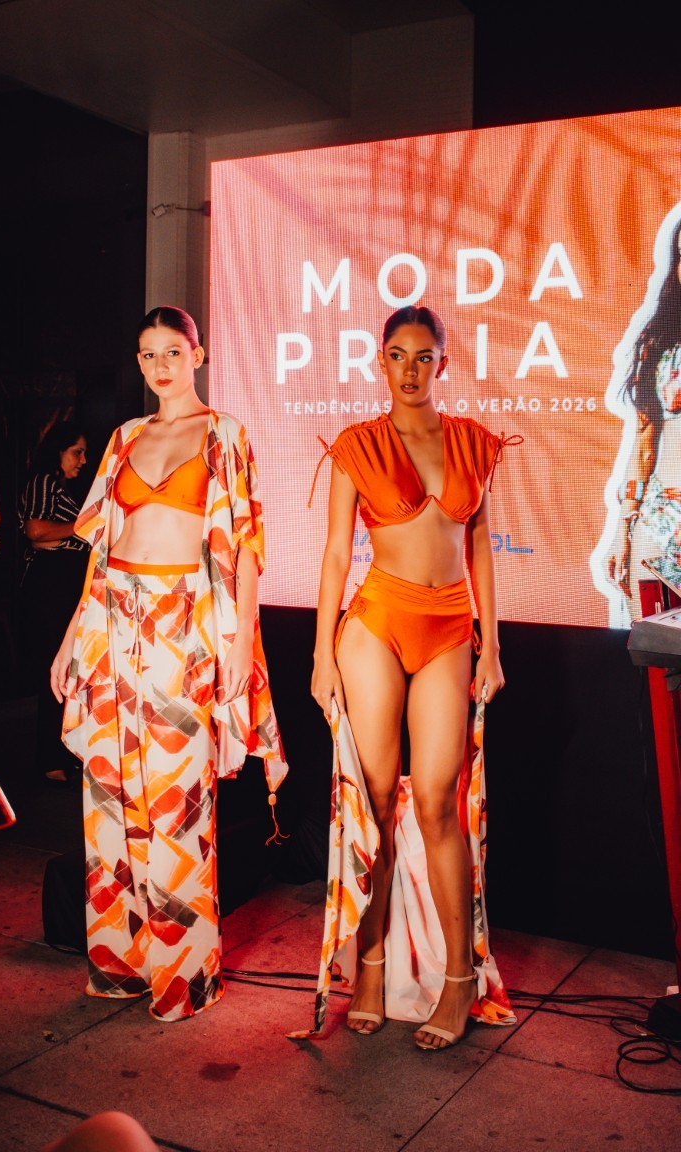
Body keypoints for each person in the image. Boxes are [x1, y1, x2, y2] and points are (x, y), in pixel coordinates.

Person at [50, 305, 287, 1021]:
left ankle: (184, 978)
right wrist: (69, 639)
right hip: (112, 624)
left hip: (185, 627)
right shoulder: (125, 437)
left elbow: (244, 548)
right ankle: (121, 966)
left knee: (179, 805)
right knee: (109, 800)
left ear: (198, 355)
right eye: (148, 354)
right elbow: (99, 551)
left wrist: (241, 645)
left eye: (173, 352)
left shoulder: (224, 434)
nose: (160, 365)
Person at [309, 306, 515, 1049]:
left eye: (423, 357)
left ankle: (459, 979)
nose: (409, 370)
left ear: (443, 364)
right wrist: (320, 654)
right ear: (381, 360)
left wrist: (491, 648)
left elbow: (480, 545)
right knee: (373, 801)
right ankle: (369, 966)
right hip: (376, 621)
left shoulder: (472, 443)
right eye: (397, 355)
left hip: (450, 625)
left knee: (435, 801)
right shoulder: (356, 445)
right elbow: (337, 555)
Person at [600, 206, 681, 623]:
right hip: (657, 525)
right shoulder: (661, 346)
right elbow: (645, 443)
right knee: (652, 655)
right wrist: (623, 531)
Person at [18, 420, 89, 784]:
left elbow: (46, 535)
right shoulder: (44, 481)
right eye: (77, 452)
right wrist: (84, 527)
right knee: (56, 667)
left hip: (65, 579)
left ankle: (62, 753)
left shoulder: (60, 487)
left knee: (70, 669)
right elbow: (36, 531)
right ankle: (49, 761)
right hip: (51, 581)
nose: (82, 460)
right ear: (58, 451)